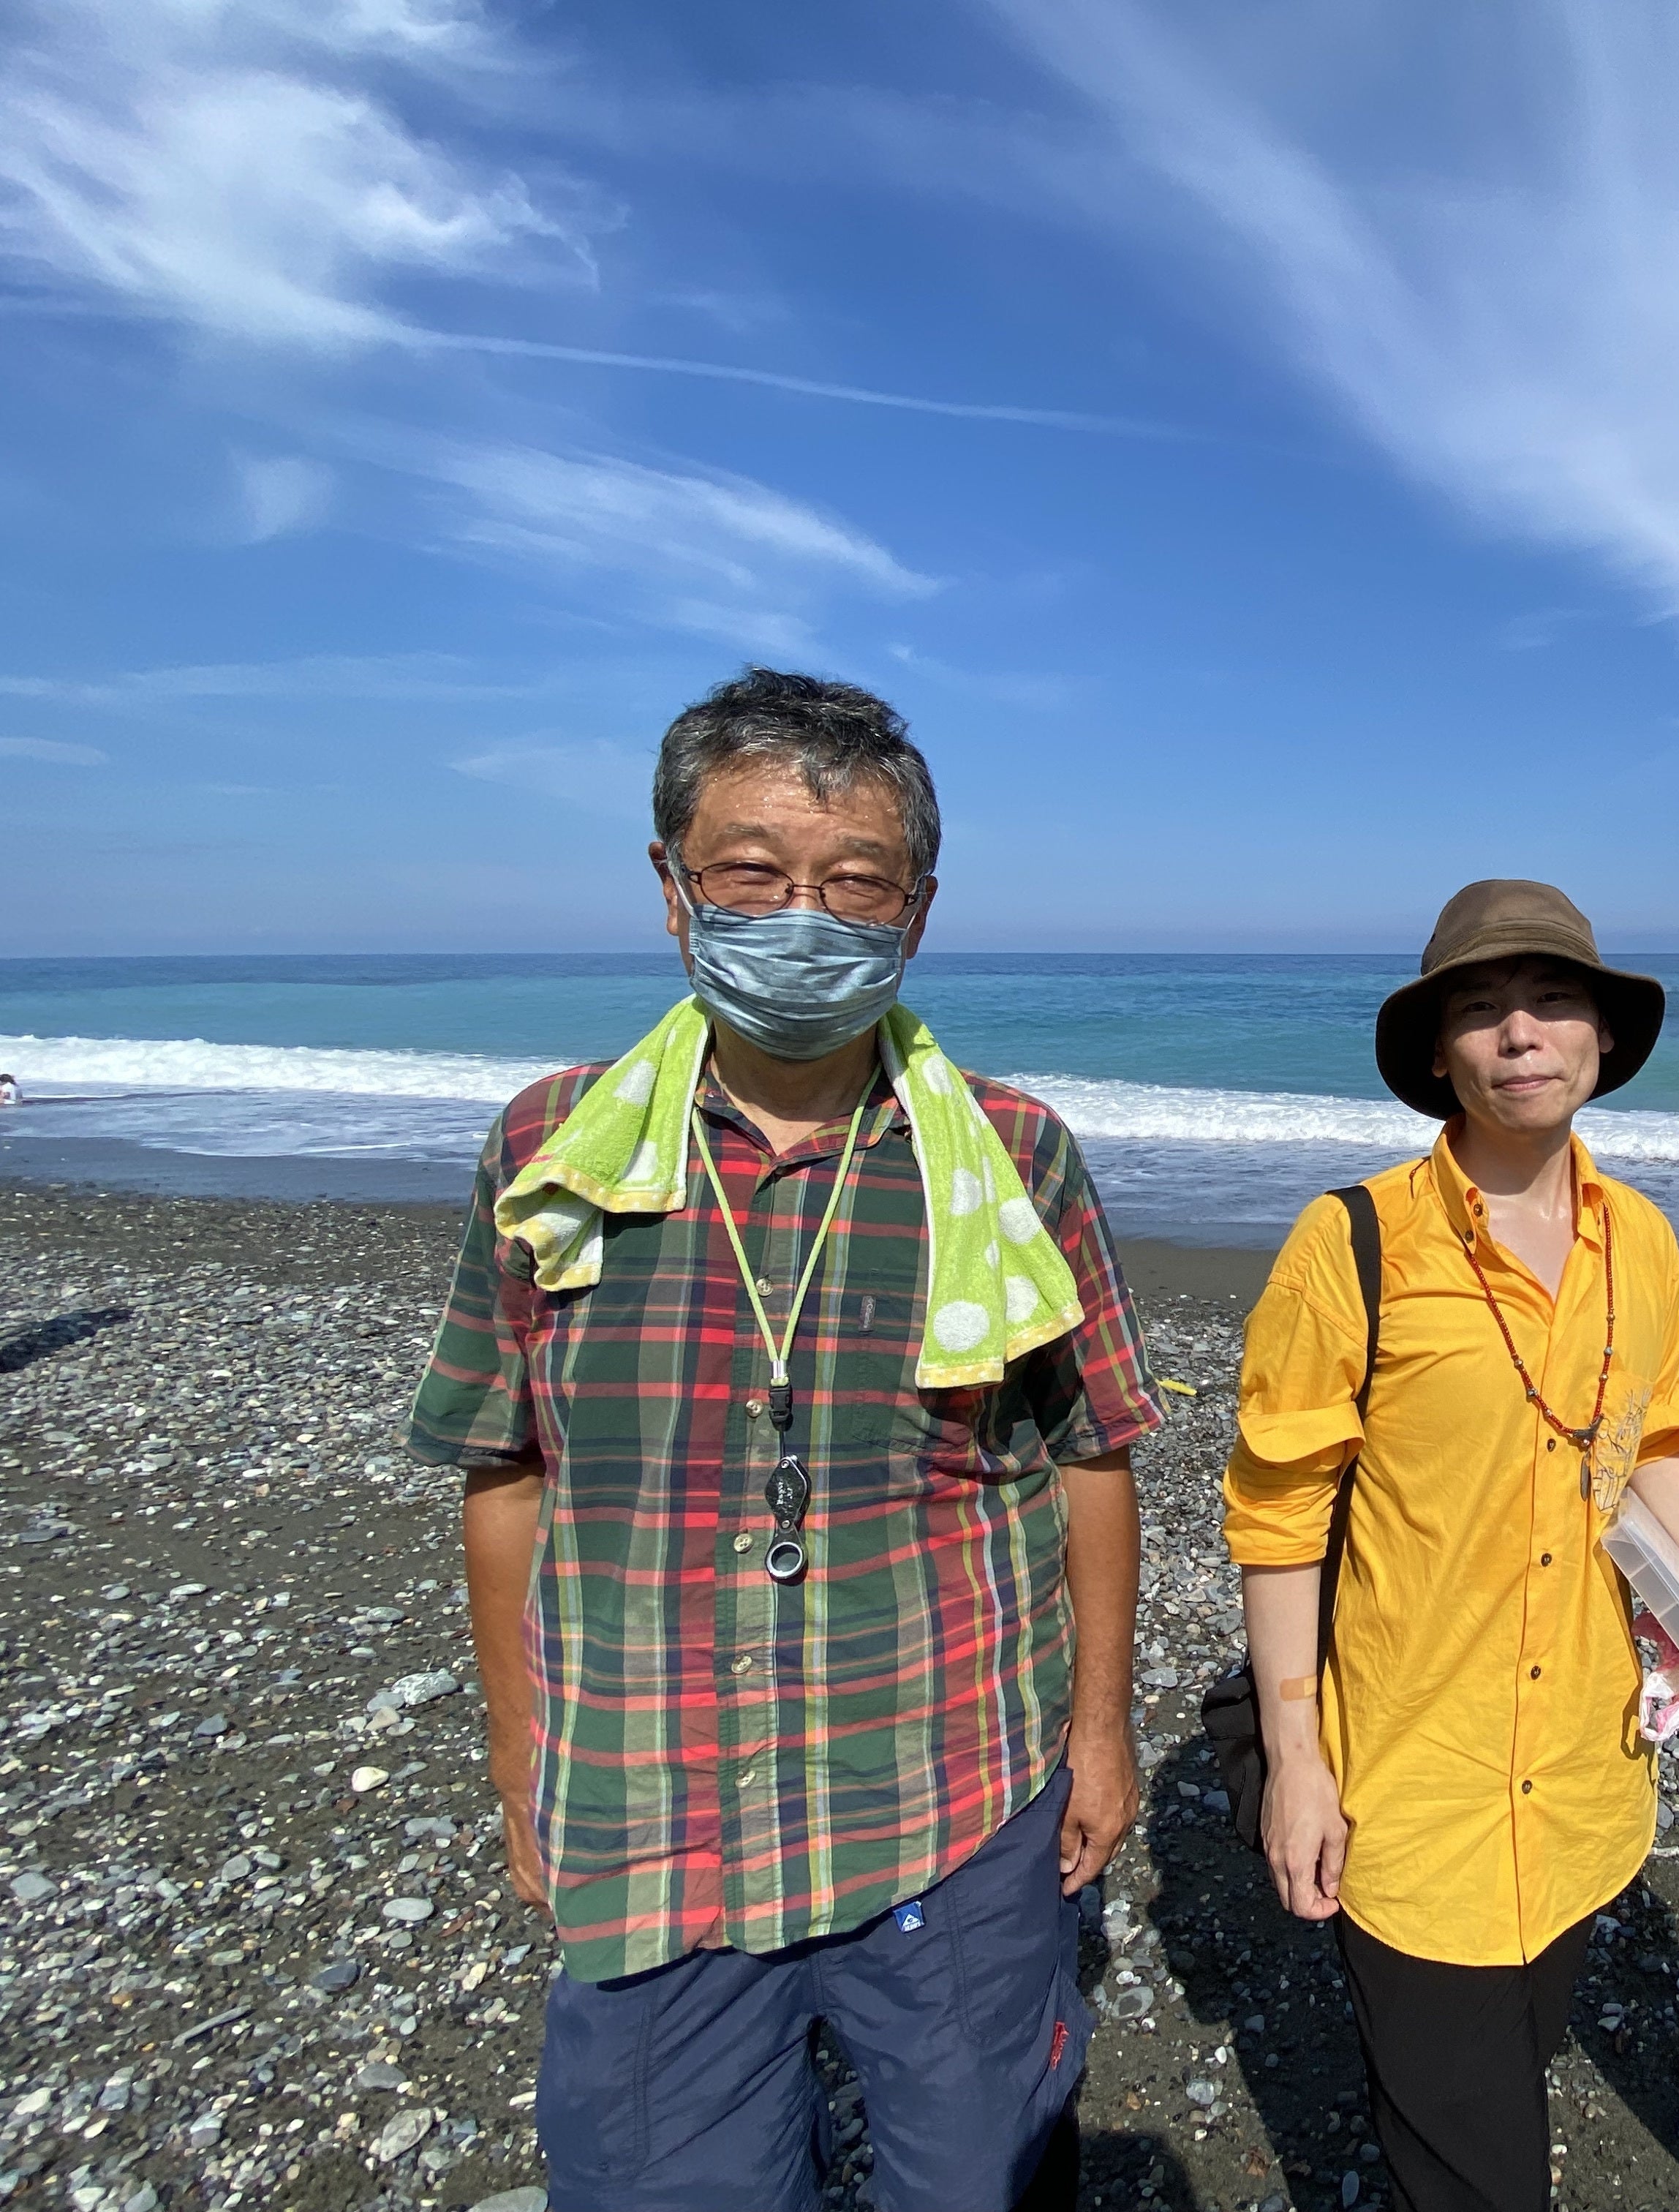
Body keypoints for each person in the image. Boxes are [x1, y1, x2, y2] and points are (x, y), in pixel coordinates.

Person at [406, 668, 1162, 2212]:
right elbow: (507, 1470)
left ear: (917, 911)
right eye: (751, 871)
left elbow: (1090, 1452)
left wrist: (1100, 1732)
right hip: (648, 1808)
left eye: (855, 882)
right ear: (673, 888)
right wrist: (520, 1759)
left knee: (982, 2175)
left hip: (954, 1794)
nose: (802, 917)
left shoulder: (1012, 1157)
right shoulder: (551, 1152)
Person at [1224, 879, 1679, 2212]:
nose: (1521, 1033)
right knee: (1479, 2168)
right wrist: (1296, 1767)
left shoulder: (1641, 1237)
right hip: (1414, 1782)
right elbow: (1280, 1516)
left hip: (1585, 1774)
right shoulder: (1351, 1242)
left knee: (1508, 2070)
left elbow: (1647, 1429)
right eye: (1481, 1008)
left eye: (1554, 1000)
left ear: (1603, 1037)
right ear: (1438, 1052)